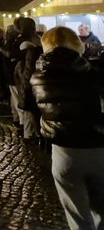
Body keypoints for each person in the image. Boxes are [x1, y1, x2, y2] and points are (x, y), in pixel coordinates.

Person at [31, 26, 104, 230]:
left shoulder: (36, 78)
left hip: (63, 152)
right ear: (77, 45)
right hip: (98, 146)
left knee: (78, 218)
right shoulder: (93, 72)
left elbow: (29, 106)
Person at [14, 17, 43, 142]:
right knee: (33, 110)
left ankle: (31, 134)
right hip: (33, 78)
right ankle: (33, 134)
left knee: (30, 110)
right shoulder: (34, 41)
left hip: (27, 77)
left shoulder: (22, 41)